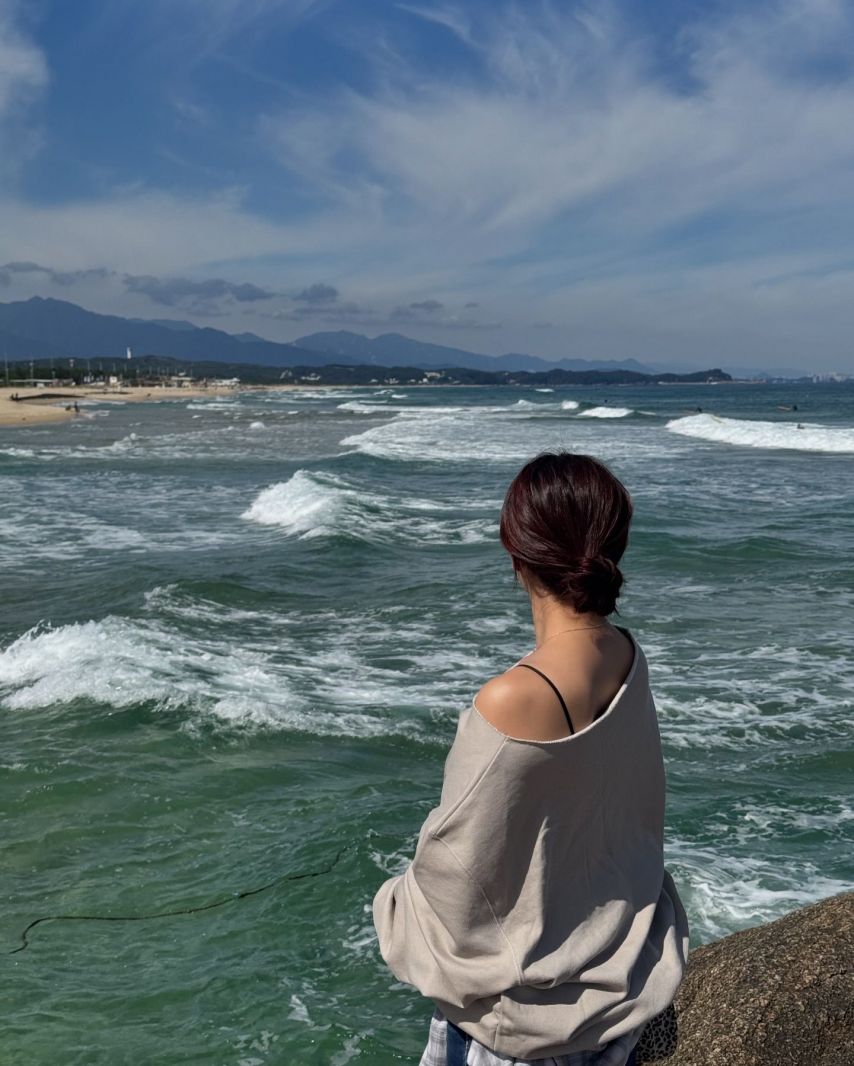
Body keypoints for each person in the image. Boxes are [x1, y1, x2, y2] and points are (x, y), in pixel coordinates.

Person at [372, 451, 690, 1066]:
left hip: (523, 1032)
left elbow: (455, 880)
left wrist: (389, 902)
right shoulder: (626, 655)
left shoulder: (513, 698)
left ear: (515, 552)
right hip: (624, 993)